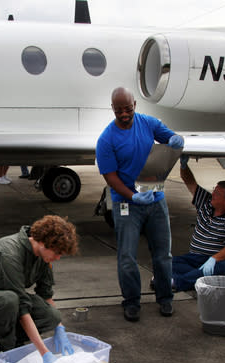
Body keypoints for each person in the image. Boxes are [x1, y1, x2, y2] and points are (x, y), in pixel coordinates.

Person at [95, 87, 184, 322]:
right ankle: (132, 302)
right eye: (119, 110)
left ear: (135, 104)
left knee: (163, 254)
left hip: (156, 200)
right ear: (112, 109)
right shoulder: (106, 139)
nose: (124, 114)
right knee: (126, 257)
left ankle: (165, 298)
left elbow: (169, 138)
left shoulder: (148, 123)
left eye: (128, 109)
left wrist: (176, 141)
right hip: (127, 204)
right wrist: (132, 196)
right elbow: (110, 177)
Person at [0, 215, 79, 363]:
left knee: (52, 315)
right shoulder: (9, 253)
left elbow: (46, 294)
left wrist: (59, 328)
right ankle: (6, 348)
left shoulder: (43, 257)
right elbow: (21, 305)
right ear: (43, 243)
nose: (58, 257)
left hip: (12, 298)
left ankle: (12, 336)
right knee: (10, 301)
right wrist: (44, 352)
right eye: (57, 252)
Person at [171, 155, 225, 291]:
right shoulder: (206, 203)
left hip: (218, 260)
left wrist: (213, 259)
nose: (213, 194)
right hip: (194, 258)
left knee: (221, 269)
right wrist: (183, 166)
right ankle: (194, 278)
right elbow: (190, 182)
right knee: (168, 262)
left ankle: (177, 282)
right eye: (214, 190)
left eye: (217, 193)